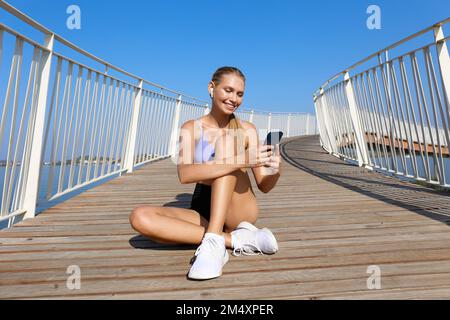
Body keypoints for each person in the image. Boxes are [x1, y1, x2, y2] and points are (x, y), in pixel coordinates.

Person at [129, 66, 282, 280]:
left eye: (239, 94)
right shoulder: (191, 128)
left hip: (239, 209)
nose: (234, 99)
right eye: (228, 90)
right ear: (212, 87)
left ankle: (213, 241)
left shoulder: (247, 130)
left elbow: (264, 185)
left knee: (227, 143)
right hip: (203, 207)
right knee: (140, 217)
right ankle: (235, 240)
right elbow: (185, 174)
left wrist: (275, 169)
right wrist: (242, 159)